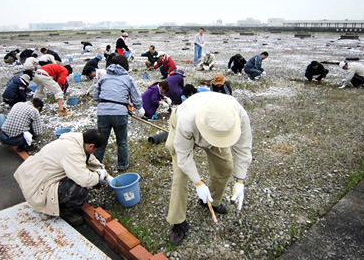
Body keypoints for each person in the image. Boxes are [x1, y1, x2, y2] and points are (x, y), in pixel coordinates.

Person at [165, 91, 252, 245]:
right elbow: (184, 157)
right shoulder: (186, 120)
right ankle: (178, 221)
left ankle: (210, 200)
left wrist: (240, 181)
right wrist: (198, 183)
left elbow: (244, 148)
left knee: (225, 167)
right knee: (180, 177)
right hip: (182, 125)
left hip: (217, 129)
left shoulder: (239, 115)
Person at [13, 129, 113, 226]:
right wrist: (98, 175)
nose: (94, 152)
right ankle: (67, 212)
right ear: (91, 146)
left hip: (34, 174)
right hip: (38, 184)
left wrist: (106, 175)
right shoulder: (72, 152)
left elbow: (89, 159)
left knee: (82, 177)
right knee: (80, 189)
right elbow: (84, 179)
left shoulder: (78, 141)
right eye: (95, 150)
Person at [93, 55, 144, 170]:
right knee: (122, 142)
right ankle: (123, 165)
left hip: (103, 113)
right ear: (125, 66)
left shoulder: (104, 77)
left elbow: (96, 94)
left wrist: (100, 99)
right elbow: (136, 96)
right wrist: (139, 108)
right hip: (120, 113)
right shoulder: (128, 78)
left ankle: (95, 165)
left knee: (101, 141)